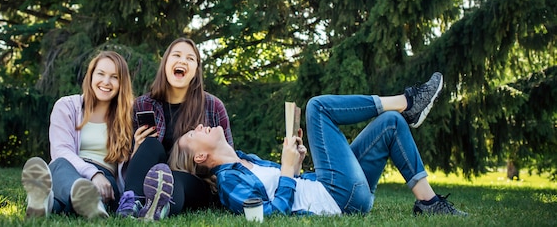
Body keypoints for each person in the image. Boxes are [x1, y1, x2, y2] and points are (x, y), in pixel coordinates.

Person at [170, 72, 468, 217]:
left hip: (330, 189)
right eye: (193, 133)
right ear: (200, 157)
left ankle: (429, 203)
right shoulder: (229, 182)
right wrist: (287, 171)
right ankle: (408, 101)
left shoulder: (248, 160)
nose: (199, 125)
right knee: (318, 108)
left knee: (391, 124)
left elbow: (293, 188)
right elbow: (264, 217)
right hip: (337, 199)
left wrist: (295, 165)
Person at [20, 50, 173, 220]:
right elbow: (61, 150)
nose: (106, 82)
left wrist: (136, 148)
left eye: (114, 77)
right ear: (91, 75)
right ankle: (88, 203)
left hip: (106, 179)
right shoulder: (66, 106)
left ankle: (47, 202)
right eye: (101, 74)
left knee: (62, 182)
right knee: (57, 164)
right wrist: (93, 175)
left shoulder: (127, 115)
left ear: (122, 83)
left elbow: (129, 175)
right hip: (69, 170)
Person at [116, 37, 233, 218]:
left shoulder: (213, 106)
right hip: (148, 178)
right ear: (165, 64)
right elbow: (125, 162)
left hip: (194, 181)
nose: (182, 61)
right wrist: (136, 150)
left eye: (190, 58)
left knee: (173, 177)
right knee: (150, 144)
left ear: (196, 70)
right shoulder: (141, 105)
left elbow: (228, 156)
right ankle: (130, 205)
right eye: (176, 55)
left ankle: (158, 209)